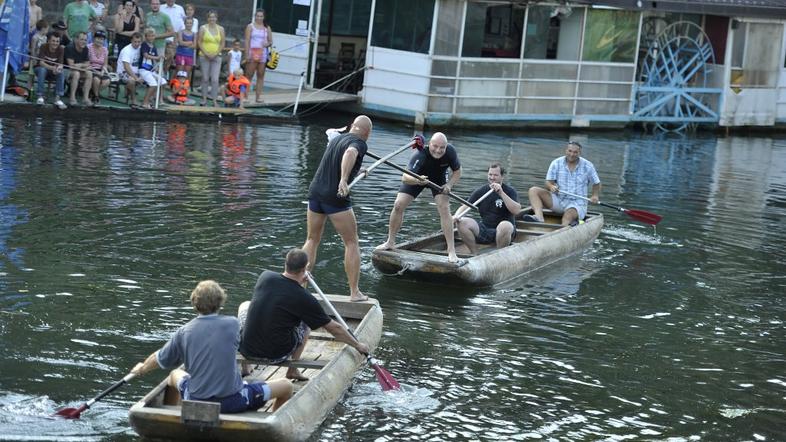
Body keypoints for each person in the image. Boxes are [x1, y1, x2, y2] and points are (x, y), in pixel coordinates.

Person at [131, 280, 293, 413]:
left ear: (194, 302)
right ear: (220, 301)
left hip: (193, 400)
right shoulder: (233, 324)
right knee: (286, 386)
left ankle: (176, 417)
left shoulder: (183, 332)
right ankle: (269, 424)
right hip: (233, 402)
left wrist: (143, 368)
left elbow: (160, 358)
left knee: (174, 374)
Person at [238, 249, 370, 381]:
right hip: (276, 355)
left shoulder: (265, 277)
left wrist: (301, 281)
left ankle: (245, 366)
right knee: (306, 323)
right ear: (305, 268)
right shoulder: (304, 297)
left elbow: (285, 290)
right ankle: (293, 370)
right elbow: (334, 328)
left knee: (244, 306)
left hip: (248, 350)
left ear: (286, 263)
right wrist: (358, 345)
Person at [302, 116, 372, 303]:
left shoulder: (337, 139)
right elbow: (349, 153)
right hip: (334, 197)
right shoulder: (359, 142)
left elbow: (339, 159)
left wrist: (358, 170)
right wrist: (343, 179)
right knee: (351, 242)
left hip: (315, 192)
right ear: (368, 134)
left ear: (351, 127)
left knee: (312, 239)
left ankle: (300, 286)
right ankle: (355, 293)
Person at [376, 132, 462, 262]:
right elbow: (405, 178)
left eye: (442, 148)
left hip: (439, 180)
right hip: (417, 178)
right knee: (398, 204)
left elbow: (458, 171)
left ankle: (451, 251)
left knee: (444, 208)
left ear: (446, 146)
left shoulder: (450, 151)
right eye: (435, 146)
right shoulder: (420, 154)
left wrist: (449, 185)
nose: (438, 150)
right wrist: (417, 181)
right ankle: (390, 242)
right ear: (429, 144)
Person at [525, 141, 601, 226]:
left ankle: (564, 230)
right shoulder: (556, 163)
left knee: (567, 217)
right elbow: (548, 183)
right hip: (559, 200)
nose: (572, 154)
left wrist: (595, 195)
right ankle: (539, 218)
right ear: (566, 150)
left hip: (577, 203)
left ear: (580, 153)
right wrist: (551, 187)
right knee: (533, 190)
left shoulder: (588, 166)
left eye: (575, 152)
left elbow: (596, 183)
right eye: (570, 151)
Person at [454, 163, 521, 255]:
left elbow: (516, 210)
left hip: (505, 231)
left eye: (495, 175)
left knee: (504, 226)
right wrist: (456, 216)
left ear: (502, 177)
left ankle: (499, 256)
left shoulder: (510, 191)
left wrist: (501, 193)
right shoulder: (481, 191)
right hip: (486, 229)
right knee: (462, 222)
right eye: (490, 174)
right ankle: (474, 254)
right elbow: (465, 206)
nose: (492, 178)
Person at [244, 9, 272, 103]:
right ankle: (244, 96)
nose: (259, 18)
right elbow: (247, 41)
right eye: (257, 16)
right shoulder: (250, 26)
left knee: (260, 75)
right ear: (255, 16)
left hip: (262, 54)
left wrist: (266, 44)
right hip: (252, 53)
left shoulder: (266, 28)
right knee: (248, 75)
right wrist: (247, 54)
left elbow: (270, 42)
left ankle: (258, 97)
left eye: (261, 16)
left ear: (264, 17)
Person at [197, 10, 225, 107]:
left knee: (215, 79)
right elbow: (199, 42)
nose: (212, 19)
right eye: (210, 17)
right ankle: (204, 99)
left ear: (216, 18)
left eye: (214, 17)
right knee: (205, 78)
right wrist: (206, 53)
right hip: (204, 55)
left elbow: (222, 43)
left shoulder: (221, 29)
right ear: (207, 18)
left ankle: (214, 100)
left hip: (217, 56)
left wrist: (216, 53)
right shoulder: (203, 28)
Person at [35, 32, 68, 109]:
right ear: (49, 41)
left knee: (61, 72)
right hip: (40, 69)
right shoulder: (43, 47)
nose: (55, 43)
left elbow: (60, 64)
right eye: (53, 41)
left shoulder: (61, 49)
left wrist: (58, 69)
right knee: (42, 70)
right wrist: (53, 68)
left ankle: (57, 98)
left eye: (57, 41)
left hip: (53, 70)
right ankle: (40, 96)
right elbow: (41, 63)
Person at [138, 27, 167, 108]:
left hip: (150, 70)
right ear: (146, 36)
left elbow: (157, 58)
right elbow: (146, 55)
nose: (151, 37)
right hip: (143, 69)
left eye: (153, 36)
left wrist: (161, 58)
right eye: (149, 36)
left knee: (163, 81)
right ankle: (145, 102)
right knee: (153, 84)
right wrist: (157, 58)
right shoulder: (144, 44)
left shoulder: (153, 46)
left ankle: (159, 100)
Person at [64, 31, 93, 105]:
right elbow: (71, 65)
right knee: (76, 74)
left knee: (89, 73)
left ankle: (85, 98)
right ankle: (72, 97)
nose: (84, 42)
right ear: (76, 39)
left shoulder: (85, 49)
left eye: (85, 40)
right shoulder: (69, 47)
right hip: (66, 71)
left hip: (79, 70)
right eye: (81, 39)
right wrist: (82, 65)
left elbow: (88, 63)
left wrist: (79, 65)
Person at [116, 32, 143, 107]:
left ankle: (148, 100)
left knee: (150, 77)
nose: (137, 44)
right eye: (135, 41)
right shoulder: (126, 50)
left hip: (136, 71)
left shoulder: (141, 48)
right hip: (123, 72)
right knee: (132, 81)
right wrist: (136, 78)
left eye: (139, 42)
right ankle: (133, 100)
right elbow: (126, 67)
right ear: (131, 40)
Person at [160, 0, 185, 76]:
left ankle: (164, 75)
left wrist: (177, 37)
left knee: (169, 58)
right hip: (161, 38)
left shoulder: (180, 8)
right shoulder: (161, 7)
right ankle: (159, 77)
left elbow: (182, 23)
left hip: (174, 39)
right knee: (160, 58)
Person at [87, 29, 111, 104]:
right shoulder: (88, 47)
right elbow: (87, 62)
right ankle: (96, 96)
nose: (100, 41)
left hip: (101, 69)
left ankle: (92, 93)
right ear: (94, 38)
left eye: (102, 39)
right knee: (96, 80)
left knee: (107, 81)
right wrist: (96, 71)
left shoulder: (105, 50)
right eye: (98, 38)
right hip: (91, 69)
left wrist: (103, 71)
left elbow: (105, 64)